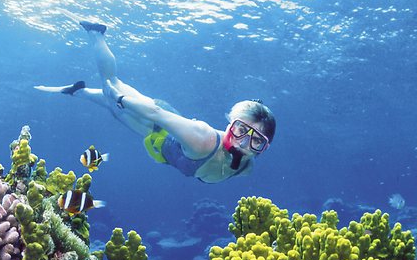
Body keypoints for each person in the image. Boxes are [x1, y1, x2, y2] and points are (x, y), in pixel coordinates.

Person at [35, 21, 276, 184]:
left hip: (162, 131)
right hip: (153, 126)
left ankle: (77, 91)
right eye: (241, 130)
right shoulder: (202, 139)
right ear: (230, 122)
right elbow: (156, 113)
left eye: (257, 141)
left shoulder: (246, 166)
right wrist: (121, 98)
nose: (245, 143)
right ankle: (95, 33)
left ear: (264, 148)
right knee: (112, 84)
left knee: (111, 108)